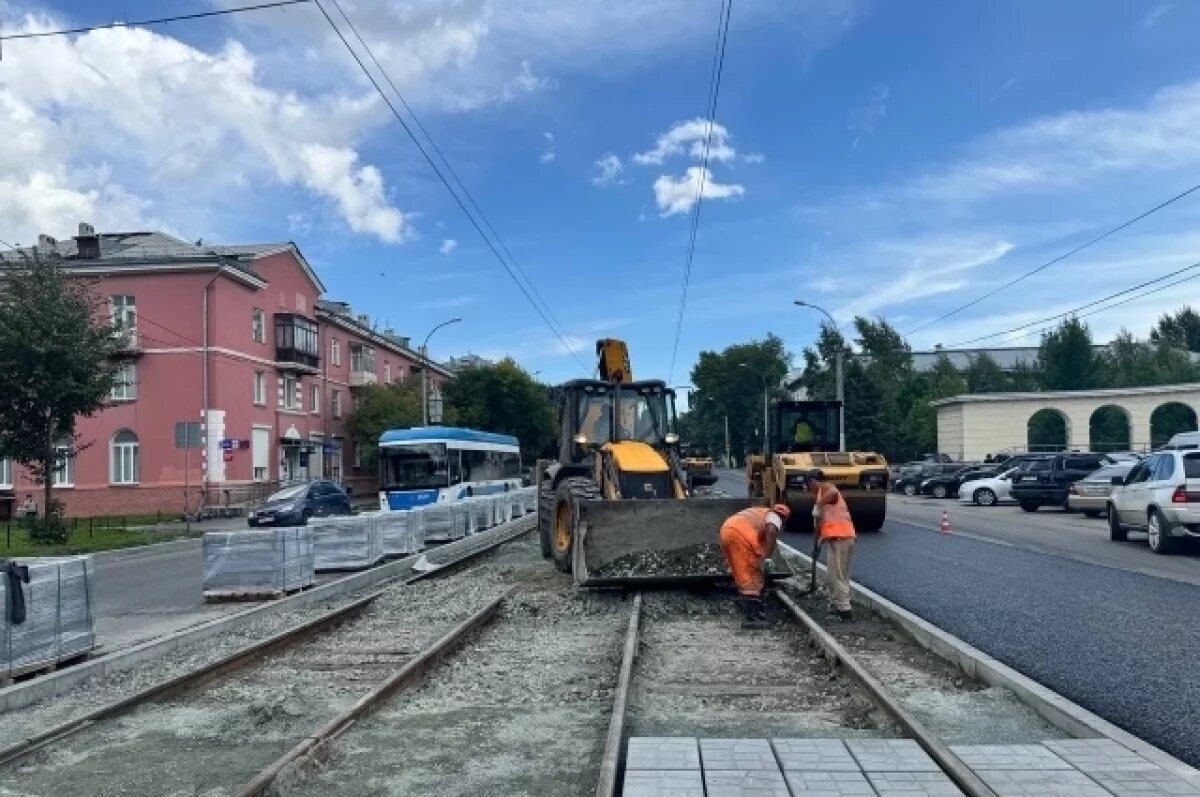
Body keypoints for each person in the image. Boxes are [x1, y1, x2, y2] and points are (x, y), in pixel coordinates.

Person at [718, 503, 791, 629]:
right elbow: (772, 532)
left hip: (726, 530)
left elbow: (762, 536)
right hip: (741, 535)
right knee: (753, 574)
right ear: (784, 518)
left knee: (742, 573)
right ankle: (753, 617)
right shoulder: (774, 516)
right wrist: (767, 559)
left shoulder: (759, 513)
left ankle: (747, 604)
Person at [809, 471, 856, 620]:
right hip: (842, 538)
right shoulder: (821, 495)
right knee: (841, 576)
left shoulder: (826, 488)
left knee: (835, 576)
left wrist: (817, 505)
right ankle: (840, 604)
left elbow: (834, 491)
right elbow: (820, 525)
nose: (808, 488)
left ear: (813, 481)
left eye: (808, 484)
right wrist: (817, 544)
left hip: (840, 538)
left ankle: (844, 610)